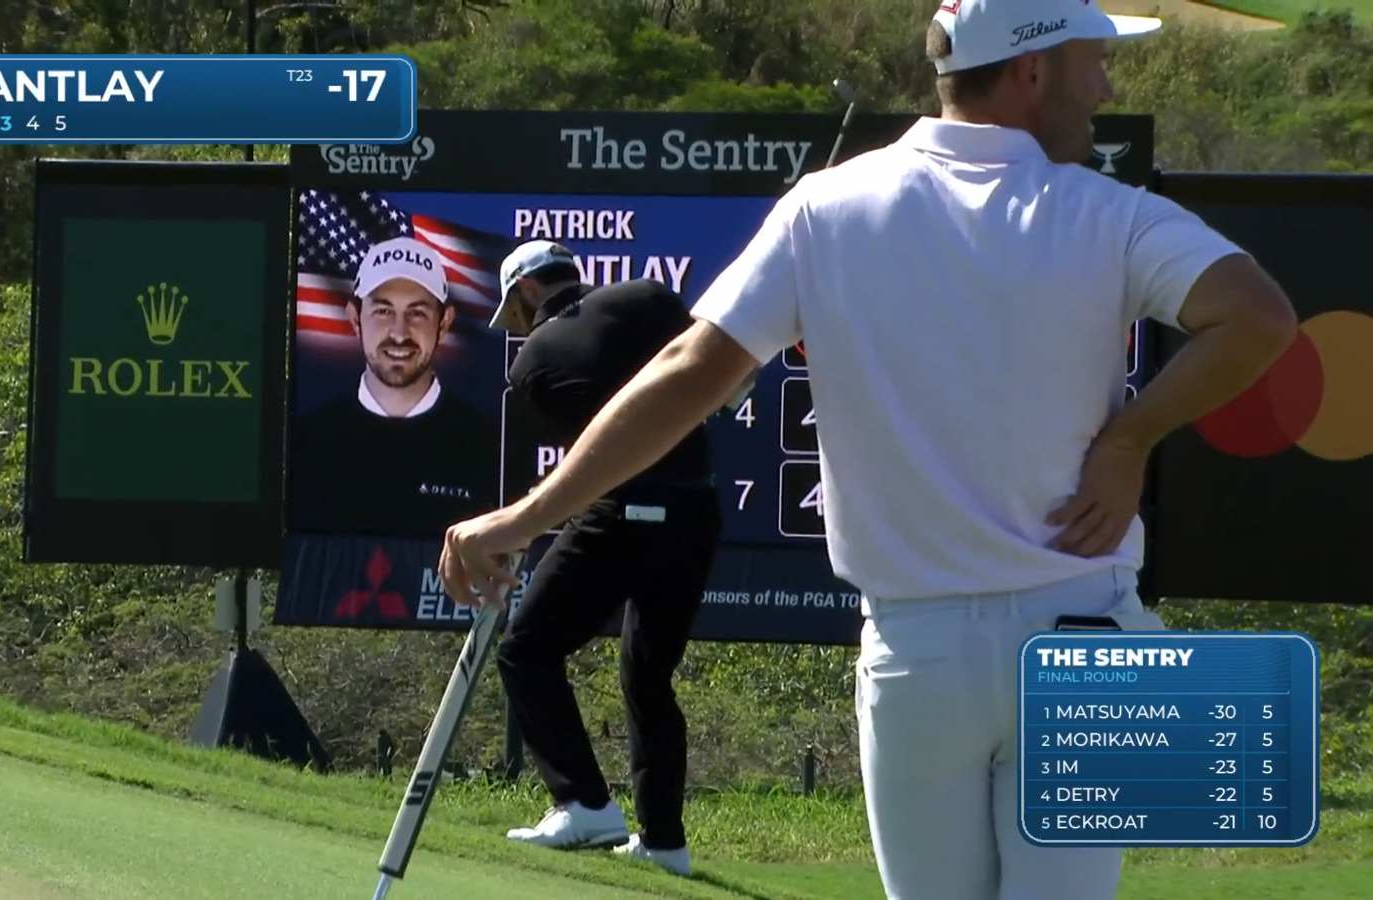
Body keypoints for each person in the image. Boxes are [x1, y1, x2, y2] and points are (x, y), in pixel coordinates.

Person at [437, 1, 1300, 896]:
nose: (1106, 87)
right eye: (1093, 61)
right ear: (1031, 70)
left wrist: (525, 518)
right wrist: (1131, 440)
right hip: (1081, 633)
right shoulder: (1112, 212)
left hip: (916, 652)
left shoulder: (826, 208)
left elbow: (689, 373)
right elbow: (1260, 318)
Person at [483, 240, 725, 877]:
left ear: (528, 291)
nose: (516, 330)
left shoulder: (531, 360)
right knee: (648, 676)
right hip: (696, 512)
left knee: (525, 647)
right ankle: (665, 843)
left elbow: (591, 461)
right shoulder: (646, 294)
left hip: (619, 509)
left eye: (512, 312)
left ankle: (585, 803)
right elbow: (721, 372)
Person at [290, 236, 495, 537]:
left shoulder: (488, 446)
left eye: (417, 312)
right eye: (383, 311)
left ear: (444, 322)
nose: (399, 333)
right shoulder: (304, 442)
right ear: (355, 317)